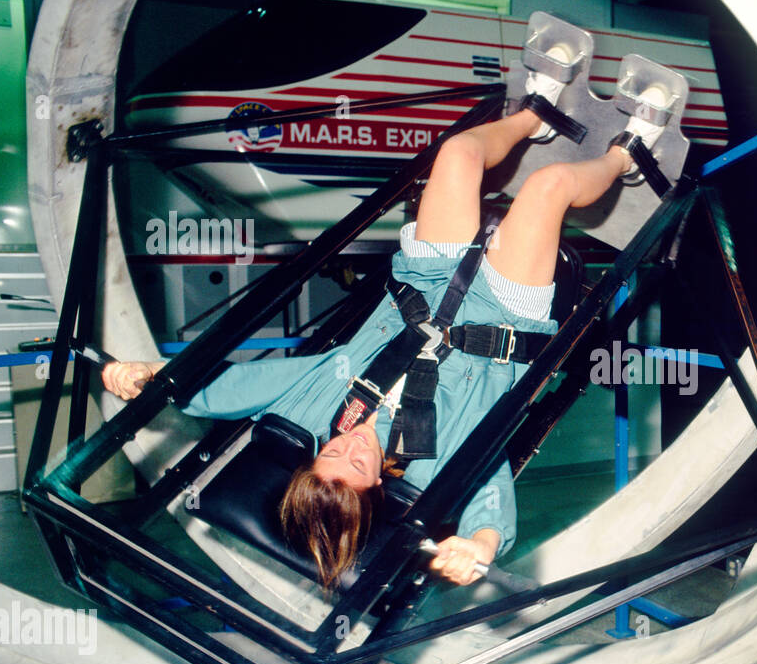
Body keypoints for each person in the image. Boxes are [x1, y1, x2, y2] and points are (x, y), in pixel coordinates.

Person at [103, 85, 668, 591]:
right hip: (504, 317)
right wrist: (480, 545)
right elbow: (488, 490)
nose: (349, 445)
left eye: (331, 452)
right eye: (355, 463)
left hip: (420, 284)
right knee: (547, 187)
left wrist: (152, 379)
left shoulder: (315, 410)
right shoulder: (429, 466)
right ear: (377, 486)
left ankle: (533, 119)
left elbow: (229, 388)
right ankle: (627, 156)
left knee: (456, 155)